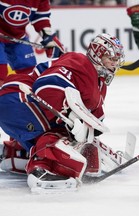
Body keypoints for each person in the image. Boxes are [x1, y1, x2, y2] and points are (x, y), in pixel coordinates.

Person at [0, 33, 125, 192]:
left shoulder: (99, 85)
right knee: (60, 134)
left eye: (116, 60)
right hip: (18, 98)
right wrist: (71, 117)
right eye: (111, 59)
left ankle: (13, 153)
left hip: (22, 105)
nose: (114, 65)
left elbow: (95, 119)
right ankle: (42, 169)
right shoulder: (80, 63)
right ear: (97, 55)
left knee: (70, 137)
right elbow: (46, 87)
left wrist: (93, 140)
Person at [0, 0, 65, 86]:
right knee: (1, 70)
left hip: (19, 37)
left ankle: (24, 98)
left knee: (29, 70)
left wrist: (47, 37)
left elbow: (40, 18)